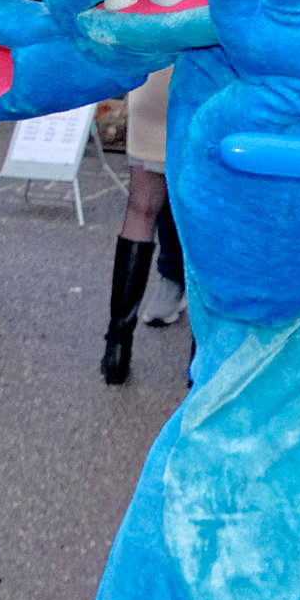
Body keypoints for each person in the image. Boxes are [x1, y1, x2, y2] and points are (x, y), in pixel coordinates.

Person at [101, 65, 186, 383]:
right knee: (202, 219)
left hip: (153, 81)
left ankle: (117, 348)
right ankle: (201, 360)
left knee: (140, 210)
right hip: (204, 85)